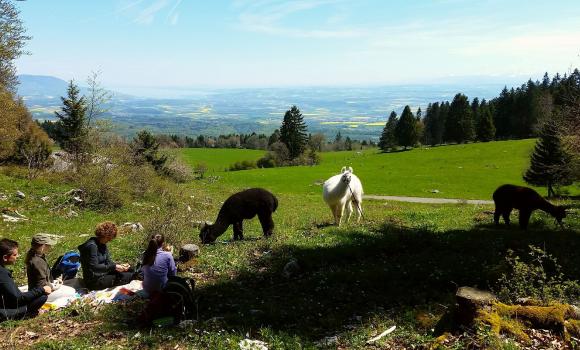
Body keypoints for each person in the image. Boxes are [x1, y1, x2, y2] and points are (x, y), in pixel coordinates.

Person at [0, 238, 52, 321]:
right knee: (42, 297)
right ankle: (26, 312)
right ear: (5, 257)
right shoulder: (2, 274)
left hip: (6, 303)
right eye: (15, 255)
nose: (17, 256)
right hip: (3, 311)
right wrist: (42, 289)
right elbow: (18, 299)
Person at [78, 222, 133, 290]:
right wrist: (114, 267)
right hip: (95, 280)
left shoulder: (102, 244)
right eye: (109, 238)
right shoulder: (91, 246)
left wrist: (120, 266)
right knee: (130, 276)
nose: (110, 240)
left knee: (130, 269)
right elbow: (94, 267)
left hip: (104, 273)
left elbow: (108, 261)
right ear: (103, 234)